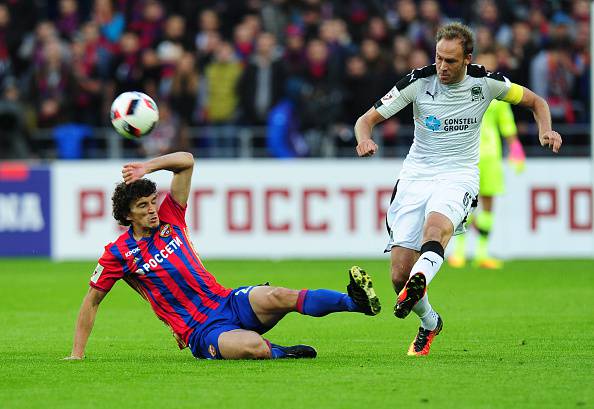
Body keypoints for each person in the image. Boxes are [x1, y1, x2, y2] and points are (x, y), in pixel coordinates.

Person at [354, 23, 562, 356]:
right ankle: (430, 322)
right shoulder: (418, 82)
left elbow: (537, 102)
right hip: (415, 175)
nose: (442, 67)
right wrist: (364, 139)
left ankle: (421, 279)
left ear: (467, 58)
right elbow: (365, 120)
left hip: (459, 174)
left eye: (450, 61)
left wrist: (545, 131)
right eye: (438, 58)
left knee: (435, 230)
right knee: (398, 276)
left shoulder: (486, 83)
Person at [65, 152, 381, 361]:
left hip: (226, 300)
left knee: (280, 295)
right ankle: (283, 353)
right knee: (252, 347)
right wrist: (77, 355)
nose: (152, 210)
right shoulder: (118, 253)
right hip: (200, 331)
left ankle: (356, 303)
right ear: (127, 216)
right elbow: (91, 301)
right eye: (143, 207)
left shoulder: (171, 216)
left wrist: (148, 167)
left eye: (152, 202)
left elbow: (186, 161)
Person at [448, 51, 525, 269]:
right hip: (467, 154)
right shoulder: (463, 90)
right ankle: (459, 252)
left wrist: (516, 148)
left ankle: (482, 253)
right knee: (465, 203)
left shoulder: (499, 93)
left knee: (489, 203)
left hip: (491, 155)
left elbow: (507, 124)